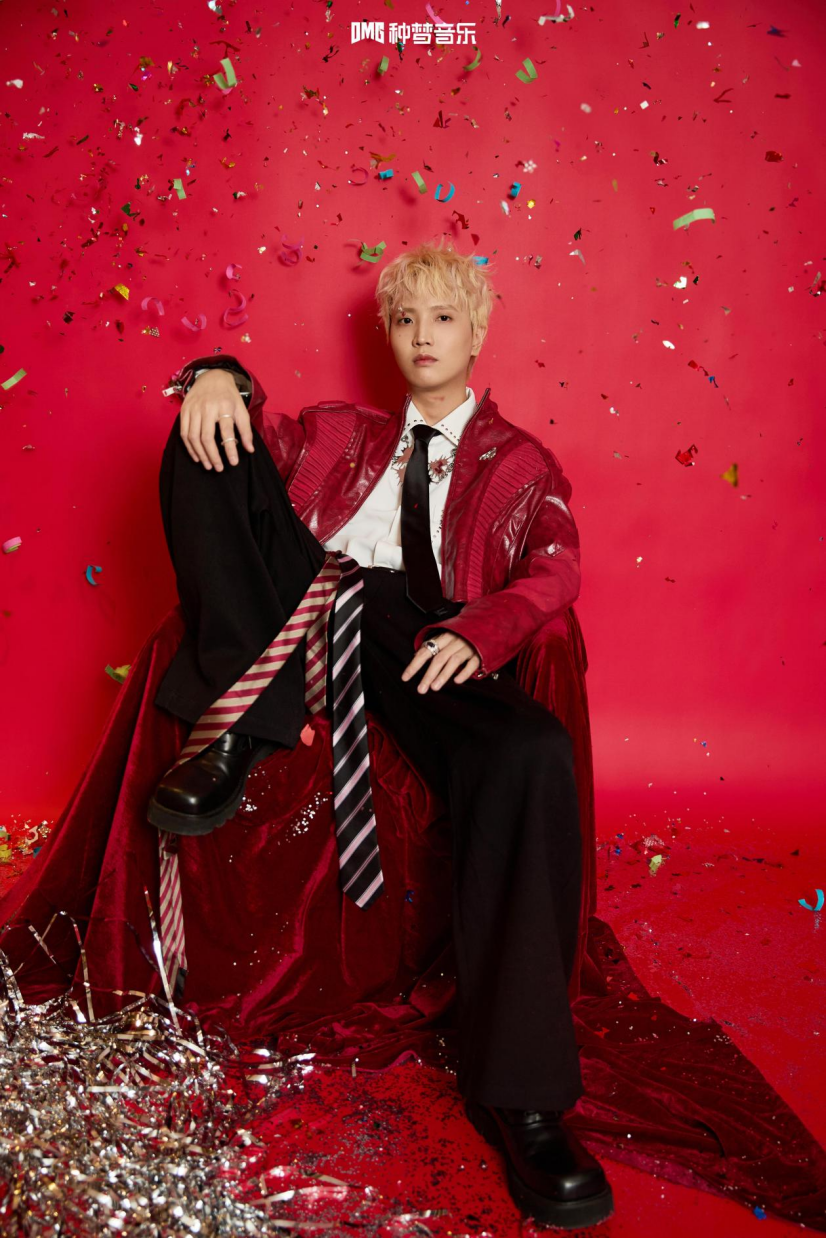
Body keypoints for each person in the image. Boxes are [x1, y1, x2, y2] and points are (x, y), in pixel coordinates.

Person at [149, 237, 614, 1230]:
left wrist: (484, 630)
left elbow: (556, 567)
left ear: (476, 332)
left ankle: (524, 1098)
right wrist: (214, 377)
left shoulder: (519, 462)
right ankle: (242, 722)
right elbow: (246, 447)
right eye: (404, 319)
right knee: (200, 437)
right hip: (303, 600)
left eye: (441, 318)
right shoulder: (338, 431)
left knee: (528, 750)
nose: (421, 336)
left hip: (421, 628)